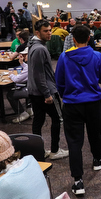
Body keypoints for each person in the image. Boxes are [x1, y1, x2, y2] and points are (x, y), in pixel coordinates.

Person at [56, 25, 101, 195]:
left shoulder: (64, 57)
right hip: (93, 102)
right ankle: (97, 160)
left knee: (74, 142)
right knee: (95, 133)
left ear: (73, 39)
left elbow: (60, 82)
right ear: (88, 38)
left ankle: (78, 181)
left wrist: (68, 95)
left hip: (72, 104)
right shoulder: (97, 56)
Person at [28, 20, 68, 161]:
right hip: (46, 92)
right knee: (58, 118)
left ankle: (38, 151)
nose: (49, 33)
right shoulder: (40, 49)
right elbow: (39, 74)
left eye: (50, 30)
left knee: (38, 121)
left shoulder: (33, 45)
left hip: (34, 91)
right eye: (46, 31)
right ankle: (55, 151)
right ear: (37, 32)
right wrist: (47, 94)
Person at [9, 48, 31, 124]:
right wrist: (22, 63)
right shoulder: (32, 63)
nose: (23, 56)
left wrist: (11, 75)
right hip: (33, 87)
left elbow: (17, 79)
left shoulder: (29, 66)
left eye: (25, 55)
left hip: (31, 89)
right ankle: (30, 109)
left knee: (10, 95)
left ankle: (23, 113)